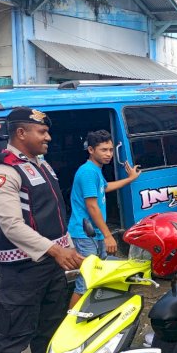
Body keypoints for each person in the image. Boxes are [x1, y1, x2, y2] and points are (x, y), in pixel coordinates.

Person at [0, 107, 84, 353]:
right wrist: (55, 250)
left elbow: (53, 215)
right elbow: (11, 225)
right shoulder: (3, 172)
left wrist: (68, 247)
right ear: (21, 133)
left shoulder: (41, 165)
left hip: (51, 268)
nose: (48, 137)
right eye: (42, 132)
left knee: (49, 332)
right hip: (23, 271)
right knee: (12, 337)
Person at [67, 129, 142, 308]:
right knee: (85, 281)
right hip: (85, 233)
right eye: (103, 150)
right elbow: (92, 206)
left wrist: (130, 178)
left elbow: (105, 188)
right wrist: (109, 235)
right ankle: (71, 325)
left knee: (98, 276)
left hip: (94, 233)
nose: (108, 154)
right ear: (91, 150)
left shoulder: (95, 170)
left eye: (110, 149)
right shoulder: (87, 172)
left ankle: (91, 316)